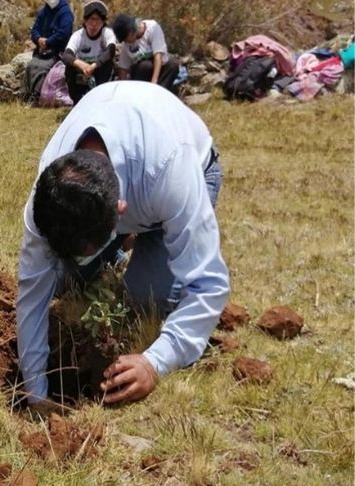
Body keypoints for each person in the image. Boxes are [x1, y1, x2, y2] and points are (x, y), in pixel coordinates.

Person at [16, 81, 229, 411]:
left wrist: (155, 361)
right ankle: (106, 259)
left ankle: (138, 247)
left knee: (147, 299)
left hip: (191, 175)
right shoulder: (49, 192)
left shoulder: (171, 169)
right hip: (124, 202)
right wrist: (35, 390)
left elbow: (208, 285)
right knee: (62, 281)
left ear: (120, 213)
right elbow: (33, 291)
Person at [62, 0, 116, 104]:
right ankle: (77, 101)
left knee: (107, 64)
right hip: (81, 70)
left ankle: (100, 100)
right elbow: (66, 55)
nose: (94, 24)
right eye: (91, 19)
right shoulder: (78, 36)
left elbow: (111, 51)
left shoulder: (107, 34)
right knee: (69, 67)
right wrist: (81, 65)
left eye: (98, 20)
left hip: (97, 69)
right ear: (85, 21)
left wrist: (94, 66)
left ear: (103, 22)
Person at [112, 14, 179, 94]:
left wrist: (154, 82)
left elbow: (158, 56)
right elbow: (123, 68)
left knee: (173, 65)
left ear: (131, 32)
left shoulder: (152, 28)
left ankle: (159, 93)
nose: (126, 42)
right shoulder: (126, 45)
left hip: (158, 69)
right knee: (145, 66)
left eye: (126, 39)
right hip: (141, 73)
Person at [23, 0, 74, 103]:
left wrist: (48, 42)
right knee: (31, 66)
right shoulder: (43, 12)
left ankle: (36, 95)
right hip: (42, 52)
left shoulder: (66, 12)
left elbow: (64, 33)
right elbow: (34, 30)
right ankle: (27, 92)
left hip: (57, 52)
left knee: (43, 68)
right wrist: (38, 39)